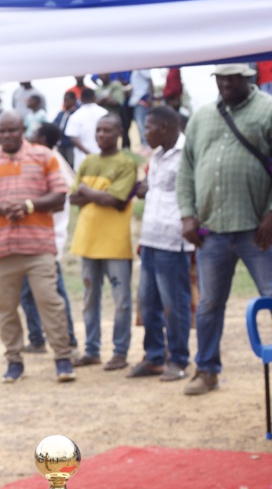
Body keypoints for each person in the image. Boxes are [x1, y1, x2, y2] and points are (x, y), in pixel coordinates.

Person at [177, 63, 272, 395]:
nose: (227, 82)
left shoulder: (268, 110)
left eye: (234, 77)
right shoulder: (202, 116)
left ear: (250, 78)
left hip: (258, 230)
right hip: (212, 230)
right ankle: (206, 370)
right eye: (221, 77)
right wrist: (187, 213)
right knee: (209, 305)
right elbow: (186, 167)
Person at [0, 111, 75, 383]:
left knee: (50, 302)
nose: (7, 135)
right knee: (5, 309)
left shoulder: (43, 156)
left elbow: (60, 195)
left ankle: (63, 358)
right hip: (0, 248)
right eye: (2, 131)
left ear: (23, 129)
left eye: (12, 130)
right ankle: (14, 361)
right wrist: (0, 208)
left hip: (38, 246)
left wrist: (28, 205)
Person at [68, 115, 138, 371]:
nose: (101, 135)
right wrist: (92, 194)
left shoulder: (126, 163)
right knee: (90, 298)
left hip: (115, 244)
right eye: (98, 131)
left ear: (119, 132)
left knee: (121, 300)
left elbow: (116, 201)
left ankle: (120, 352)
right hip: (87, 240)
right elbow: (73, 198)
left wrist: (87, 192)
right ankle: (92, 350)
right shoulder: (88, 161)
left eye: (107, 131)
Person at [129, 105, 193, 381]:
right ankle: (154, 356)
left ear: (164, 128)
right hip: (151, 237)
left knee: (174, 302)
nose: (145, 133)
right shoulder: (156, 155)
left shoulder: (186, 155)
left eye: (148, 127)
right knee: (148, 301)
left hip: (173, 240)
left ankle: (178, 359)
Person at [18, 123, 79, 357]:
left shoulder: (52, 160)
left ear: (42, 138)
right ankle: (36, 338)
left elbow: (61, 199)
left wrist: (29, 206)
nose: (29, 137)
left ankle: (69, 341)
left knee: (54, 294)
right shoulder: (39, 159)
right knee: (27, 292)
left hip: (48, 238)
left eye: (33, 134)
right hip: (31, 237)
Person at [64, 87, 108, 170]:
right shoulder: (104, 113)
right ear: (94, 97)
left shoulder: (75, 116)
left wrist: (88, 153)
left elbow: (73, 138)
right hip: (103, 156)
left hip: (83, 160)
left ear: (80, 99)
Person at [52, 91, 81, 167]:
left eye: (67, 100)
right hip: (60, 144)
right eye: (64, 100)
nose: (65, 102)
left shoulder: (76, 114)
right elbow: (54, 125)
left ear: (74, 100)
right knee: (61, 165)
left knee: (71, 164)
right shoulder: (61, 113)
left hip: (70, 144)